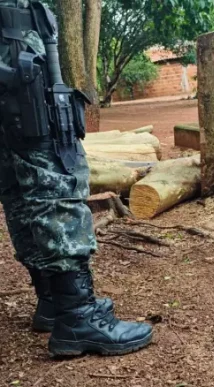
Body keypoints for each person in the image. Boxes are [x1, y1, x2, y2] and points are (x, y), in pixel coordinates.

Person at [0, 0, 152, 356]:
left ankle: (52, 300)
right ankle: (76, 315)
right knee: (52, 174)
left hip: (11, 44)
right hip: (14, 49)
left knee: (17, 178)